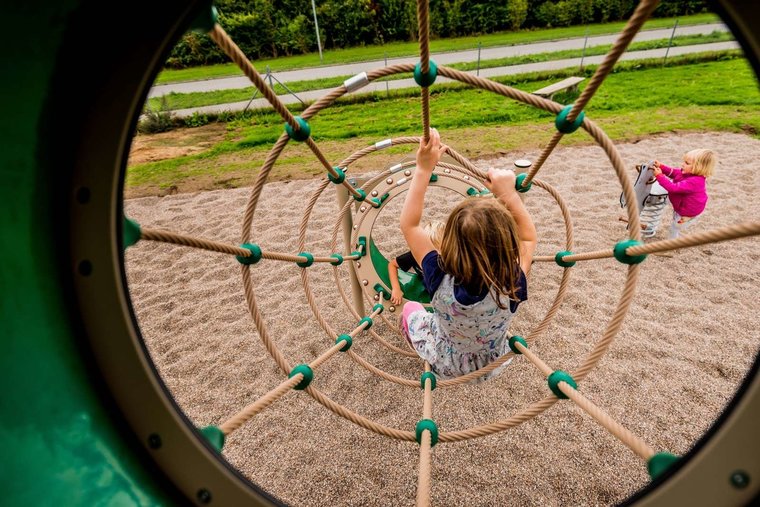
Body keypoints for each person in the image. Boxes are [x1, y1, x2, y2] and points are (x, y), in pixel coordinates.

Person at [398, 128, 537, 381]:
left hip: (446, 363)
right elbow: (528, 237)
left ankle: (419, 332)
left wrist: (422, 169)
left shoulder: (437, 275)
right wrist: (508, 194)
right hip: (491, 365)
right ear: (507, 244)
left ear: (448, 241)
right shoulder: (513, 280)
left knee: (411, 308)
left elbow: (410, 225)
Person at [652, 149, 716, 239]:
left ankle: (671, 244)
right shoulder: (686, 173)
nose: (683, 164)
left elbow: (673, 188)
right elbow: (674, 172)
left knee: (674, 228)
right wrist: (661, 167)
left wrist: (659, 176)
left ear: (698, 167)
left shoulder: (695, 181)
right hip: (685, 203)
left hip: (687, 212)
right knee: (667, 198)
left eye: (687, 163)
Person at [388, 221, 444, 305]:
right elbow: (392, 265)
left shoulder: (448, 258)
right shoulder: (416, 254)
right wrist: (396, 288)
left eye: (436, 249)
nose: (430, 254)